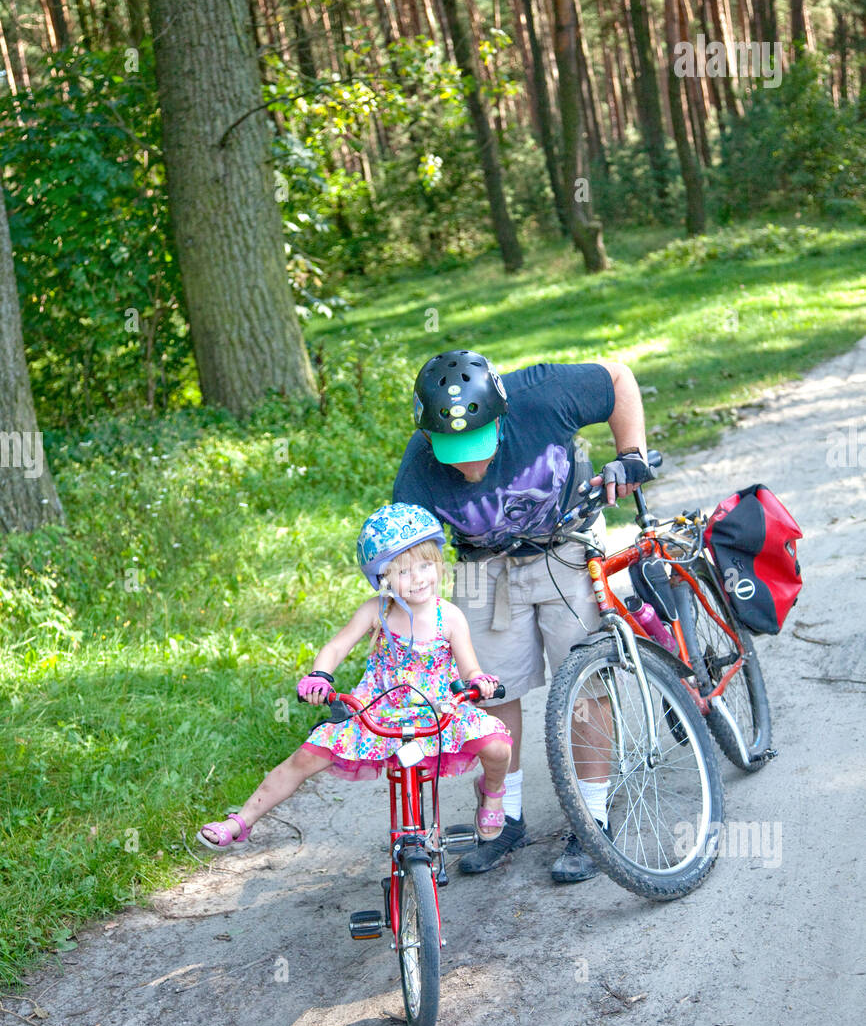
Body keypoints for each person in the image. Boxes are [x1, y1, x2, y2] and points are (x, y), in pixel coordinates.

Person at [393, 348, 653, 882]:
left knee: (584, 686)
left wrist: (630, 454)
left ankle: (593, 817)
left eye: (477, 448)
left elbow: (619, 379)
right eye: (452, 452)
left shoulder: (541, 395)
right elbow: (408, 555)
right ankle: (504, 819)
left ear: (501, 416)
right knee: (491, 690)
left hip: (566, 545)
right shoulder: (418, 467)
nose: (467, 466)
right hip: (480, 565)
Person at [196, 504, 512, 851]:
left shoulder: (449, 617)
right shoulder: (375, 611)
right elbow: (335, 647)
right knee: (305, 757)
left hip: (438, 711)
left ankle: (492, 792)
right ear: (383, 577)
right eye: (404, 571)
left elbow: (469, 667)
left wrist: (478, 682)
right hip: (375, 710)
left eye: (426, 565)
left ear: (438, 564)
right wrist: (320, 676)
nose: (419, 578)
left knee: (496, 746)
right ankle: (241, 821)